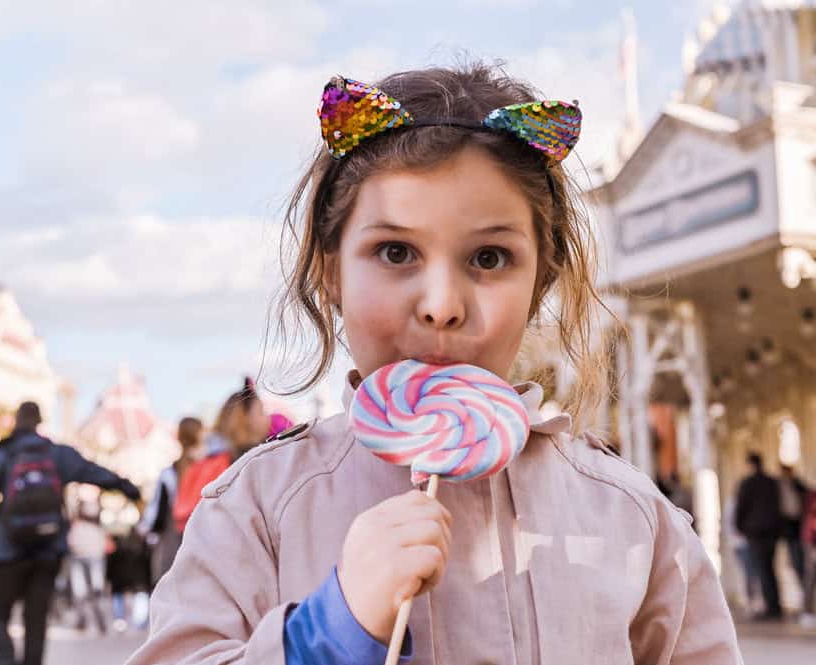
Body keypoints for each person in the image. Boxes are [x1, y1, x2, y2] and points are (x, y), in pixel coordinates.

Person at [127, 64, 741, 664]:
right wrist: (329, 631)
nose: (443, 306)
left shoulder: (632, 517)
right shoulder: (256, 508)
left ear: (540, 281)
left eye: (491, 258)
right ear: (329, 272)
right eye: (395, 251)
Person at [0, 401, 141, 665]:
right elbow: (94, 472)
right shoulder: (56, 454)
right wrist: (129, 488)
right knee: (36, 620)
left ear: (16, 421)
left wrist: (1, 524)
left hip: (6, 552)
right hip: (47, 549)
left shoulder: (1, 455)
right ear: (39, 422)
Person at [171, 383, 269, 534]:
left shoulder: (208, 457)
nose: (268, 418)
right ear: (245, 419)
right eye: (262, 412)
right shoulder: (244, 461)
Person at [138, 416, 202, 584]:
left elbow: (155, 512)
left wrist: (145, 530)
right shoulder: (207, 468)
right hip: (200, 536)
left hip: (172, 539)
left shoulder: (168, 473)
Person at [735, 452, 783, 620]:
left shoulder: (747, 484)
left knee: (761, 569)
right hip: (771, 532)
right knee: (769, 568)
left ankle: (771, 607)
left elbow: (741, 507)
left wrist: (739, 527)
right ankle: (775, 604)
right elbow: (779, 505)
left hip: (755, 532)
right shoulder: (771, 482)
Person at [67, 498, 109, 634]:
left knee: (91, 592)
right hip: (84, 557)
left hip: (90, 557)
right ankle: (85, 621)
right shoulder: (81, 526)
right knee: (83, 592)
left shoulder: (89, 527)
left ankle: (97, 621)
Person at [778, 464, 809, 585]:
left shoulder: (798, 485)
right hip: (788, 529)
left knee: (801, 558)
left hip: (800, 527)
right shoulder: (777, 487)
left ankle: (804, 585)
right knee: (794, 559)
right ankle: (802, 585)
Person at [801, 487, 816, 629]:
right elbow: (812, 523)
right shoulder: (812, 497)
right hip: (812, 542)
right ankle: (807, 612)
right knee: (811, 577)